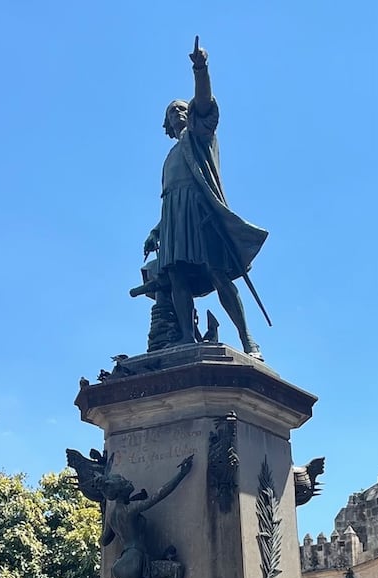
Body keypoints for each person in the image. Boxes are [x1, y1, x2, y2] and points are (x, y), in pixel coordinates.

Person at [144, 37, 268, 359]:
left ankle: (248, 340)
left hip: (201, 214)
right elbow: (169, 197)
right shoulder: (169, 157)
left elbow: (204, 102)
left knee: (217, 272)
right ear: (166, 124)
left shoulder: (199, 138)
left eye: (182, 109)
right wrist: (157, 230)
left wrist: (200, 68)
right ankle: (187, 335)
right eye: (173, 113)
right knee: (176, 275)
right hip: (175, 219)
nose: (179, 114)